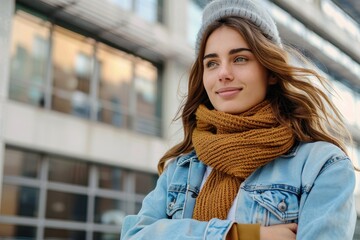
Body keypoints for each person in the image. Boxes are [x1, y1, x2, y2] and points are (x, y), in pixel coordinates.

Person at [120, 0, 357, 239]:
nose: (223, 74)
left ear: (271, 72)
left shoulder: (322, 165)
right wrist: (239, 235)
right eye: (212, 63)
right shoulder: (181, 169)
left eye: (240, 59)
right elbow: (134, 235)